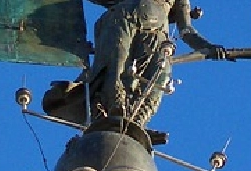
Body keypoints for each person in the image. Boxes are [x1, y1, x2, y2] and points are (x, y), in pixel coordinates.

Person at [43, 0, 223, 128]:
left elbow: (187, 30)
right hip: (121, 21)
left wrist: (207, 47)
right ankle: (110, 112)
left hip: (158, 37)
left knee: (159, 80)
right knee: (116, 70)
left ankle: (135, 124)